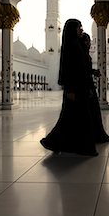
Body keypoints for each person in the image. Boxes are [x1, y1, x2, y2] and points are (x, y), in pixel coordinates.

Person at [40, 19, 98, 156]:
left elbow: (82, 68)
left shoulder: (75, 45)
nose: (81, 30)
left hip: (80, 88)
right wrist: (71, 90)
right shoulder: (71, 46)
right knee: (78, 119)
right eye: (79, 27)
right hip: (75, 89)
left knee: (70, 119)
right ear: (73, 29)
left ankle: (54, 142)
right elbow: (70, 69)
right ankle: (84, 148)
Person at [81, 32, 109, 143]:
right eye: (86, 41)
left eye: (89, 41)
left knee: (94, 111)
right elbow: (82, 71)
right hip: (85, 86)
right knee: (90, 111)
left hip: (89, 85)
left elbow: (86, 70)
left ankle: (96, 135)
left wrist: (94, 72)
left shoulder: (86, 54)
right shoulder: (81, 55)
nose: (88, 43)